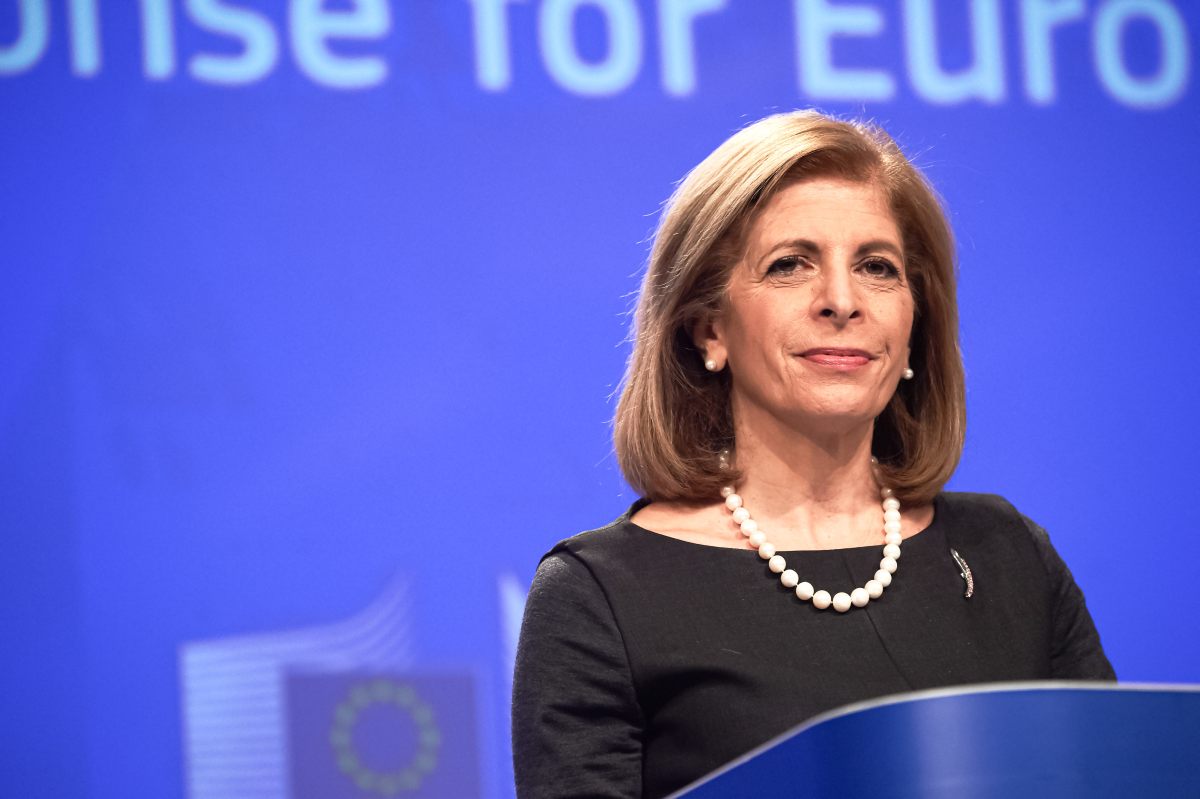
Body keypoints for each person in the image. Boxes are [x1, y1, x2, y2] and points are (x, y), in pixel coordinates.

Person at [511, 110, 1114, 799]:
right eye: (790, 265)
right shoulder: (601, 595)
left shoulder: (1009, 555)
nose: (841, 301)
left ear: (914, 328)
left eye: (877, 267)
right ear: (709, 330)